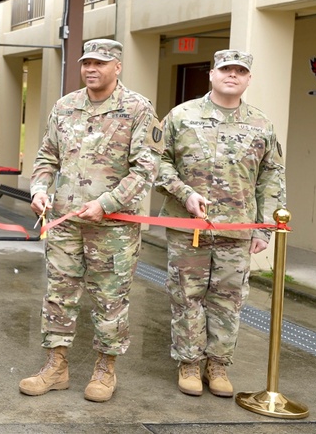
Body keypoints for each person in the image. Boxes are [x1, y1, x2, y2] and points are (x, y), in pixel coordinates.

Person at [19, 39, 163, 403]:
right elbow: (46, 156)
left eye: (100, 62)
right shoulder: (65, 106)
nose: (91, 69)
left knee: (111, 299)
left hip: (113, 227)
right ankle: (56, 366)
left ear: (118, 67)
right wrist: (38, 189)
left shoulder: (138, 109)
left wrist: (107, 203)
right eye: (86, 63)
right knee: (58, 295)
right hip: (65, 222)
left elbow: (146, 169)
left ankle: (105, 368)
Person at [155, 49, 285, 398]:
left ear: (248, 79)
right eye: (226, 69)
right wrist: (184, 193)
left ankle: (218, 364)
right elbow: (157, 162)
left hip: (236, 231)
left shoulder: (261, 124)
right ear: (212, 74)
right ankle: (189, 363)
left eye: (240, 71)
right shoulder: (181, 116)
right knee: (187, 297)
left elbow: (271, 177)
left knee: (228, 299)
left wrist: (264, 227)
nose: (232, 75)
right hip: (189, 227)